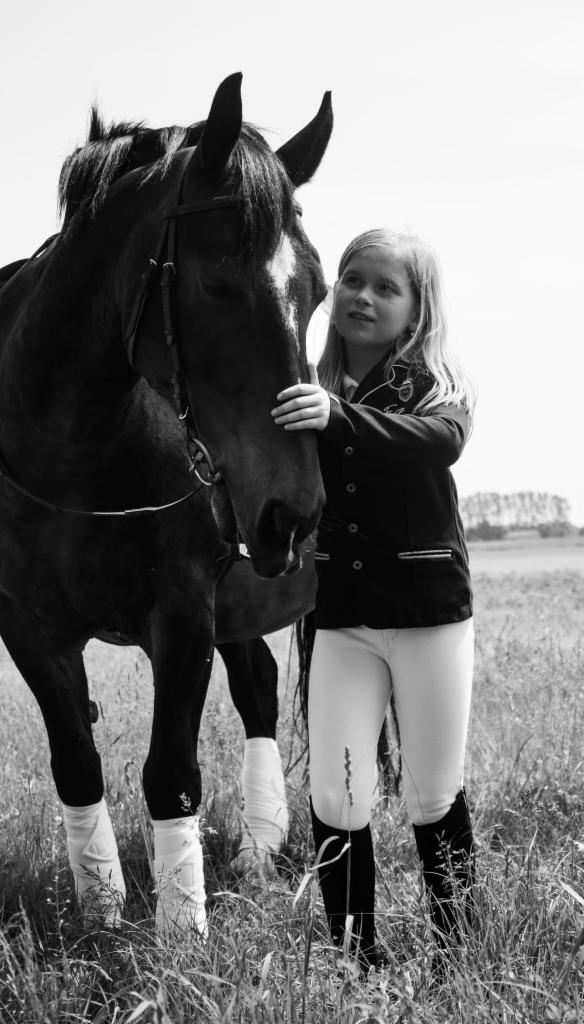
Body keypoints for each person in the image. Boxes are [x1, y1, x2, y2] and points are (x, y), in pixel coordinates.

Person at [271, 228, 476, 970]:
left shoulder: (439, 383)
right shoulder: (299, 382)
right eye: (353, 279)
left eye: (387, 287)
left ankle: (460, 957)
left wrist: (337, 417)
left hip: (428, 618)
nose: (363, 295)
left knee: (431, 793)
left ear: (417, 309)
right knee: (337, 796)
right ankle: (358, 961)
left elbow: (439, 442)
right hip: (343, 623)